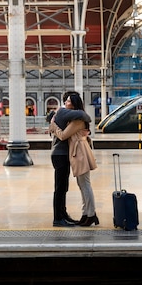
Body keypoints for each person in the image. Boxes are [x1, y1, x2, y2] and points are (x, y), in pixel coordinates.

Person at [49, 93, 99, 227]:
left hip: (80, 153)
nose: (65, 102)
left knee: (84, 185)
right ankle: (85, 214)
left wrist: (54, 126)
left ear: (75, 104)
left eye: (69, 101)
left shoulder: (77, 119)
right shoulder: (72, 117)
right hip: (75, 153)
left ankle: (90, 214)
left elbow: (63, 135)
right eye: (65, 100)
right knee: (78, 185)